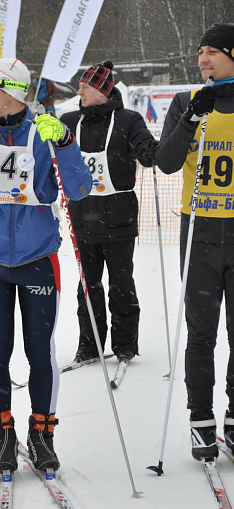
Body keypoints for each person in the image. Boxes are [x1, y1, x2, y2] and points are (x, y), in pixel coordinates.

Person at [0, 58, 92, 474]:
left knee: (40, 352)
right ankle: (2, 436)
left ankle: (43, 435)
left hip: (37, 258)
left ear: (10, 91)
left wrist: (64, 142)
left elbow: (79, 188)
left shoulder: (43, 132)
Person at [156, 23, 234, 462]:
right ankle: (201, 420)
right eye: (200, 50)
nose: (202, 58)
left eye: (212, 51)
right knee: (201, 335)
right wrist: (190, 121)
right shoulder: (187, 101)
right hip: (200, 232)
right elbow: (164, 162)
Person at [60, 60, 157, 365]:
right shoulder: (69, 119)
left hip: (118, 218)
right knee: (87, 286)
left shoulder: (128, 120)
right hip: (82, 217)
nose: (80, 91)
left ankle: (125, 344)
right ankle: (89, 345)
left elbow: (149, 152)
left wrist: (158, 150)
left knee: (121, 284)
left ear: (101, 90)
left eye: (85, 86)